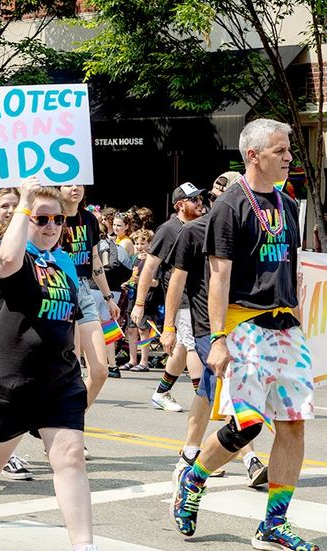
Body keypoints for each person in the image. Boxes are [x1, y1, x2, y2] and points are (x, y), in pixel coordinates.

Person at [173, 119, 317, 550]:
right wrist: (218, 338)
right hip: (244, 325)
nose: (289, 157)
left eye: (289, 150)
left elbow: (291, 268)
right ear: (253, 155)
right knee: (248, 426)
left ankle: (274, 524)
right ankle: (194, 479)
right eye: (280, 151)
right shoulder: (229, 206)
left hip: (285, 326)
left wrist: (299, 322)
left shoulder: (290, 205)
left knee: (292, 425)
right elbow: (218, 277)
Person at [0, 179, 95, 551]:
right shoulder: (11, 253)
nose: (50, 227)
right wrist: (25, 202)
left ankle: (84, 545)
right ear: (25, 219)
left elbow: (71, 319)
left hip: (59, 380)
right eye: (41, 219)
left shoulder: (63, 262)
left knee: (70, 457)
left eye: (58, 220)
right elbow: (8, 260)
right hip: (8, 379)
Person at [163, 170, 268, 490]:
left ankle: (190, 453)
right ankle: (249, 459)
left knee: (210, 390)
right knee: (232, 389)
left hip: (242, 324)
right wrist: (168, 327)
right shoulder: (193, 231)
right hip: (208, 327)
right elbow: (176, 282)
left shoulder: (248, 230)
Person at [131, 183, 205, 413]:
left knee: (183, 347)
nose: (200, 203)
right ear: (180, 205)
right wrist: (139, 304)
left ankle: (161, 392)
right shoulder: (168, 229)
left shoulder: (200, 226)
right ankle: (204, 400)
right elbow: (149, 267)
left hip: (198, 297)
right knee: (191, 346)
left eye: (200, 199)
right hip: (180, 298)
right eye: (194, 200)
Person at [60, 185, 121, 405]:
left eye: (79, 183)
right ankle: (68, 426)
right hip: (60, 290)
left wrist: (108, 297)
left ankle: (74, 417)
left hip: (85, 290)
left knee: (100, 371)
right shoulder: (50, 218)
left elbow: (95, 260)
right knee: (71, 369)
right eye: (68, 183)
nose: (75, 188)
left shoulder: (89, 219)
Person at [119, 228, 155, 372]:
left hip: (146, 297)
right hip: (132, 296)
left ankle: (144, 361)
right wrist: (128, 282)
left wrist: (142, 281)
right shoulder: (135, 258)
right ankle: (132, 360)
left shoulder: (152, 259)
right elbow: (132, 276)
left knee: (143, 329)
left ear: (150, 243)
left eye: (143, 243)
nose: (139, 246)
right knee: (131, 329)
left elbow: (156, 282)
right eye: (137, 243)